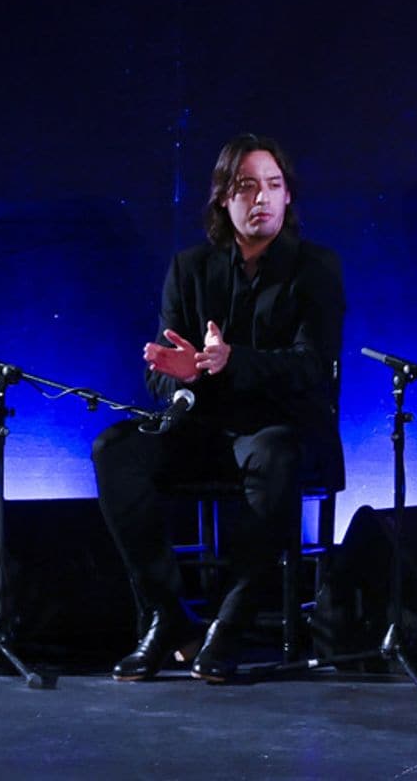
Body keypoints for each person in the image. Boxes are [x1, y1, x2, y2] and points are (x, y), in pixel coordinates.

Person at [92, 134, 345, 683]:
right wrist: (178, 378)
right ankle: (168, 619)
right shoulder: (189, 268)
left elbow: (311, 367)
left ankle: (230, 624)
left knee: (273, 454)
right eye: (247, 186)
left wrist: (232, 362)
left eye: (274, 186)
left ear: (288, 197)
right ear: (223, 199)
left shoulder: (316, 269)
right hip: (203, 429)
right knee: (115, 449)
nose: (262, 199)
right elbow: (159, 369)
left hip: (280, 429)